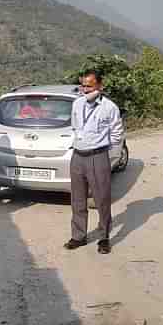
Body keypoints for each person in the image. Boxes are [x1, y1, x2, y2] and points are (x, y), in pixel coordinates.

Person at [65, 70, 123, 254]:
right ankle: (79, 236)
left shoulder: (109, 107)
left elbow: (116, 133)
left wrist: (104, 151)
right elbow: (75, 127)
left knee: (102, 200)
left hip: (98, 157)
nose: (85, 89)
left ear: (100, 86)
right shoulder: (77, 103)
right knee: (77, 200)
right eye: (83, 85)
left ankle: (104, 237)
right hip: (78, 156)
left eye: (89, 86)